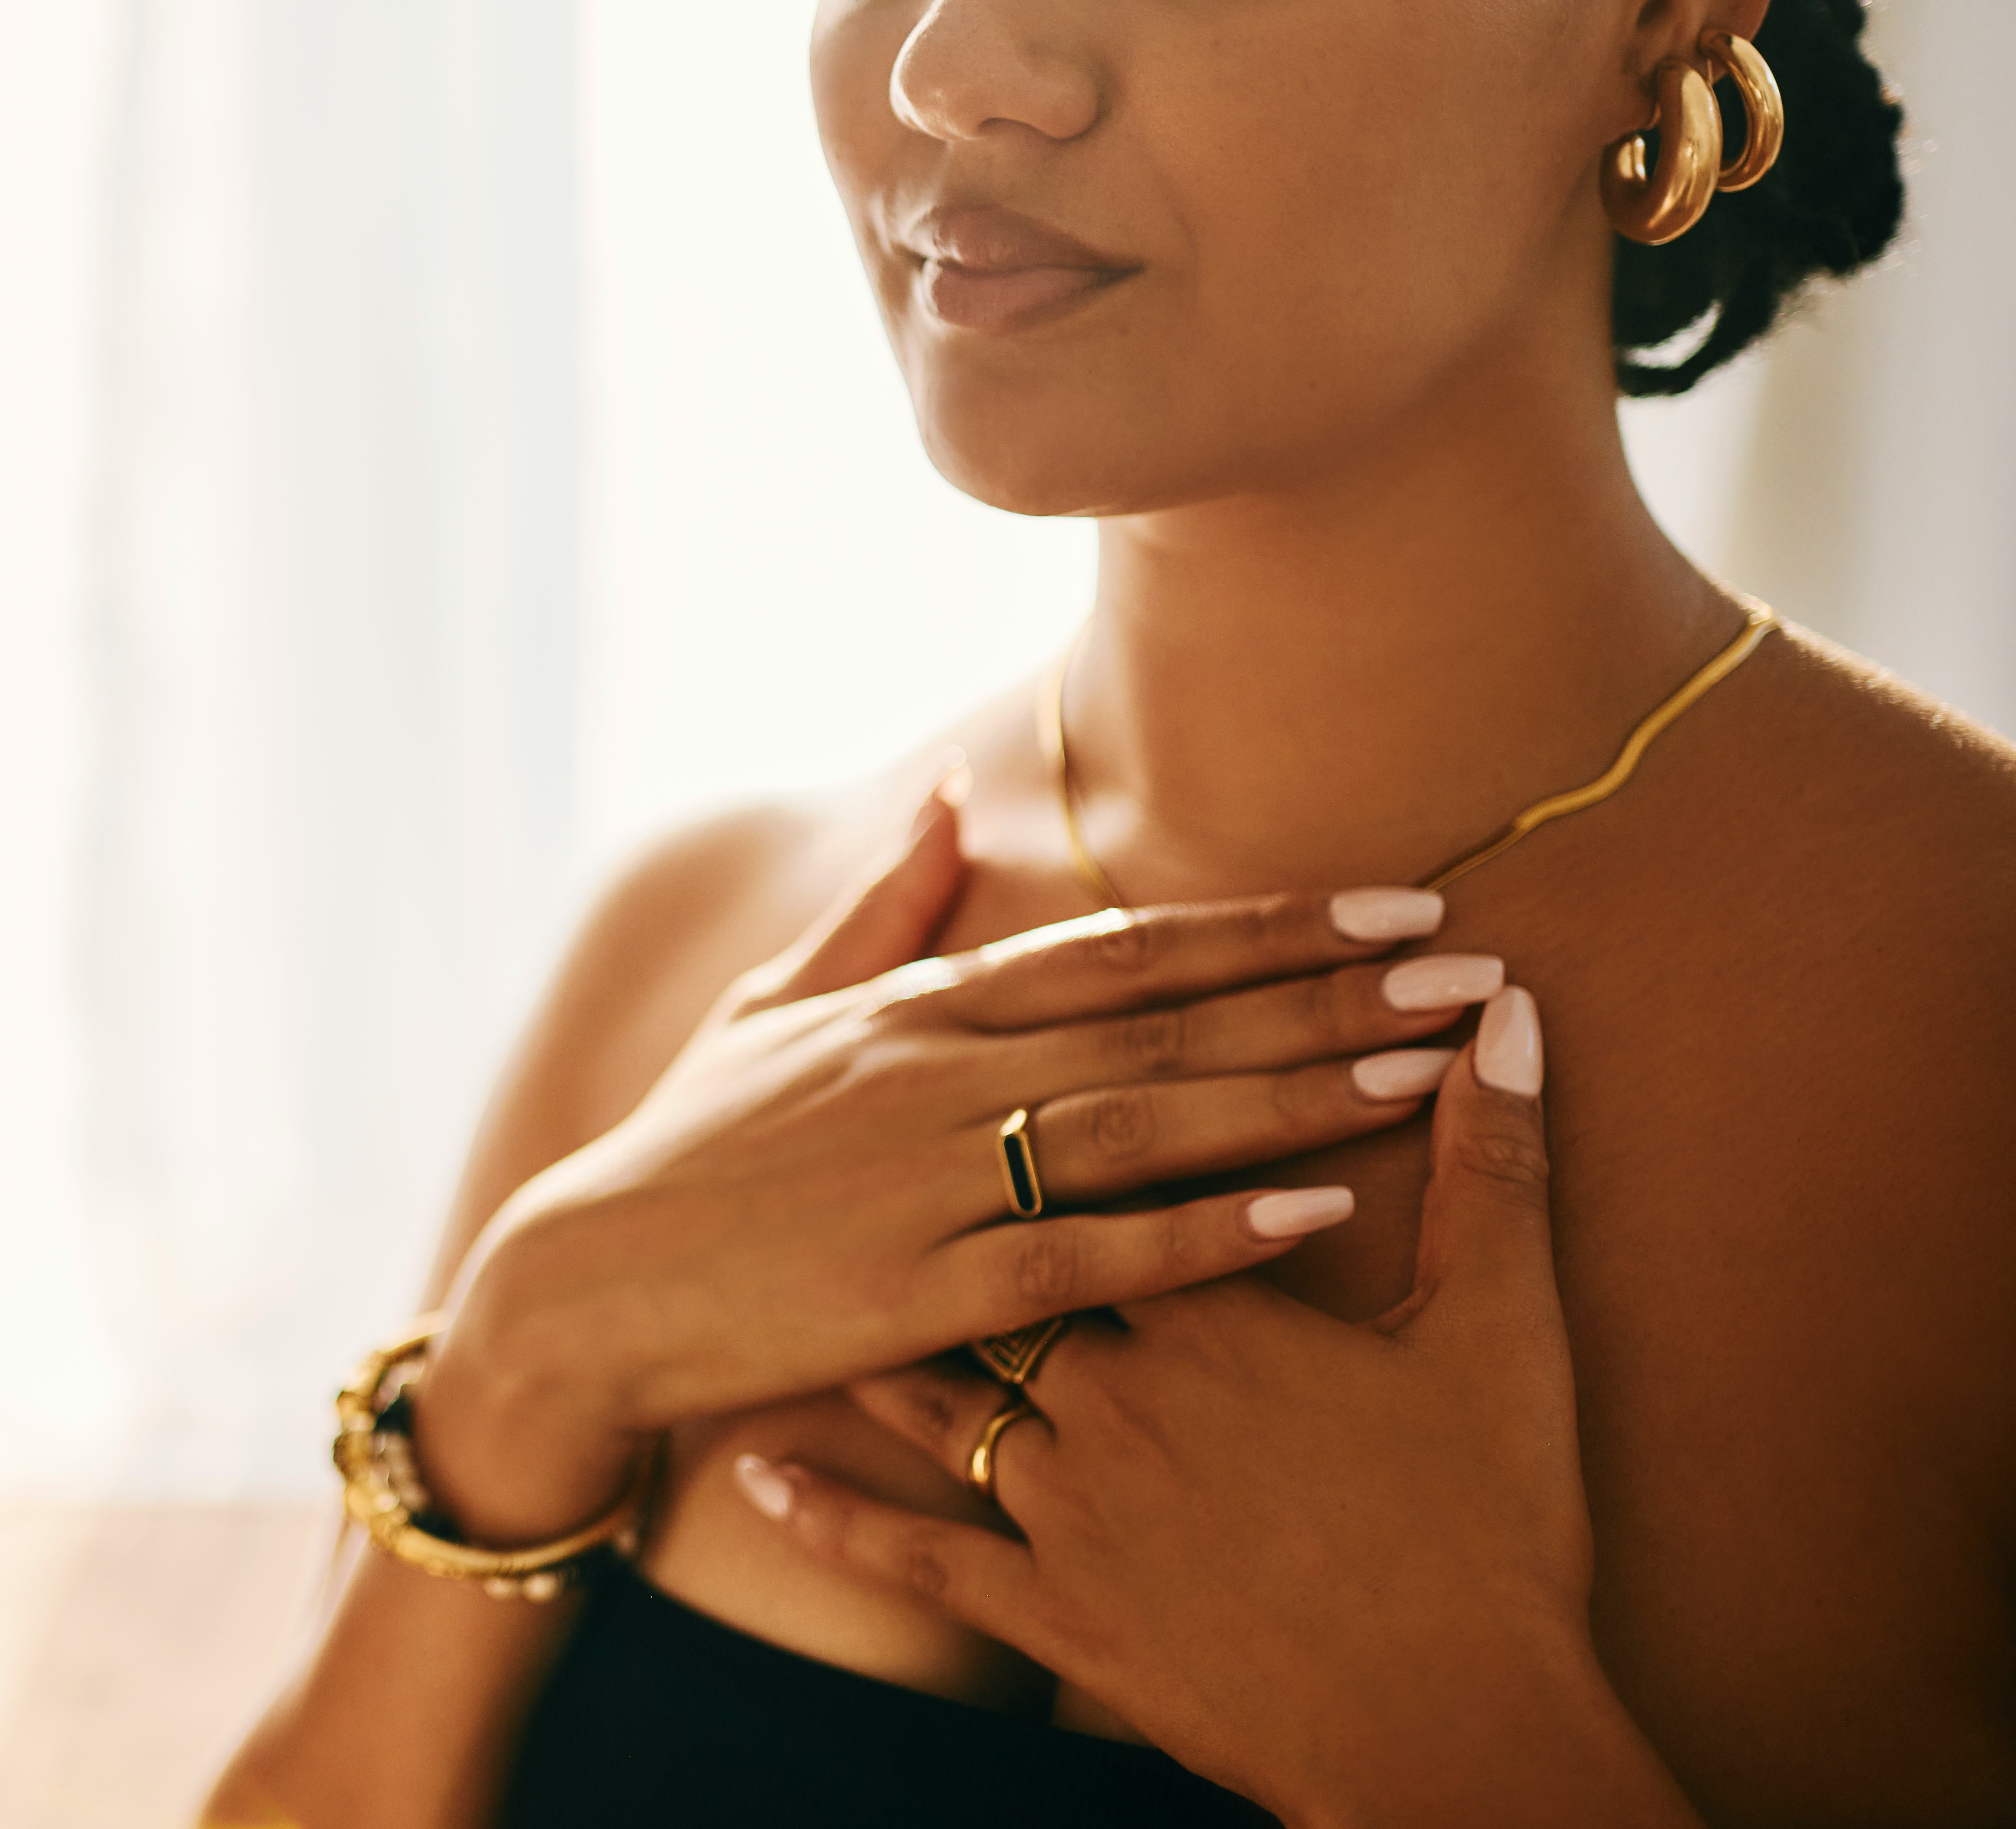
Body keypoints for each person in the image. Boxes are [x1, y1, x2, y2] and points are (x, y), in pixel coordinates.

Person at [208, 0, 2015, 1822]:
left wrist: (1463, 1747)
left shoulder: (1970, 1019)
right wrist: (523, 1368)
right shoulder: (699, 949)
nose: (952, 60)